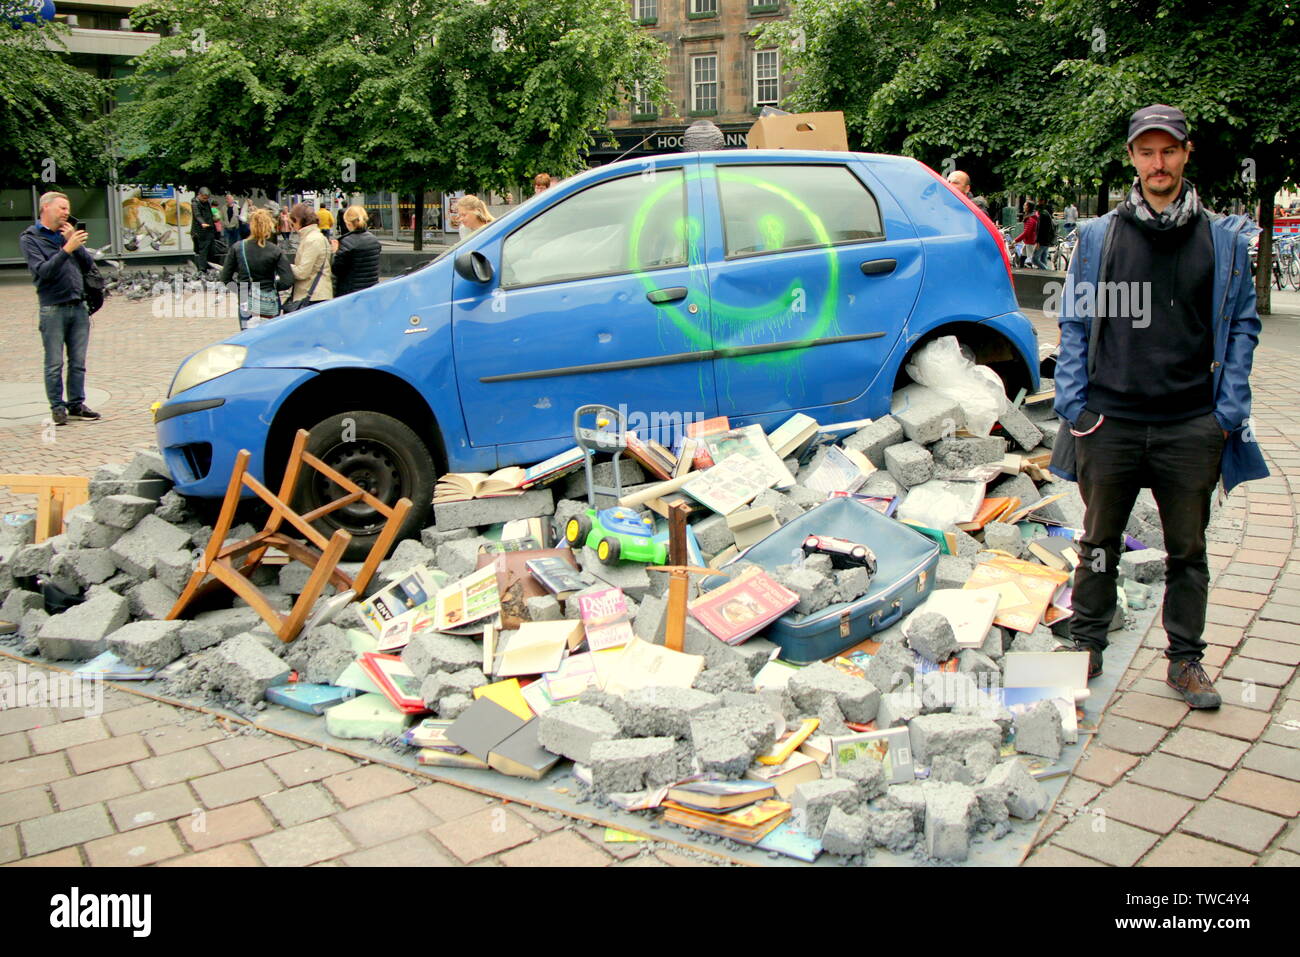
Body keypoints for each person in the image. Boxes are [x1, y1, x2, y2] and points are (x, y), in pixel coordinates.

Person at [1050, 104, 1268, 708]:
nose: (1158, 163)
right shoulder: (1098, 238)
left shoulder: (1221, 242)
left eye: (1168, 150)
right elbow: (1073, 322)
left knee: (1188, 552)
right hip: (1109, 423)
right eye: (1146, 152)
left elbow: (1243, 325)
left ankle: (1184, 661)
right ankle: (1086, 646)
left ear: (1186, 154)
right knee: (1098, 544)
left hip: (1189, 426)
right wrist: (1073, 404)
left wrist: (1226, 413)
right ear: (1132, 159)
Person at [18, 191, 102, 426]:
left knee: (78, 361)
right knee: (54, 362)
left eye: (68, 208)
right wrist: (66, 249)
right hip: (52, 307)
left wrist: (73, 244)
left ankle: (76, 404)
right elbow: (43, 272)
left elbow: (87, 266)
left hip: (78, 306)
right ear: (45, 208)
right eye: (62, 208)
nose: (67, 212)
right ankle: (57, 407)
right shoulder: (30, 238)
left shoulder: (67, 235)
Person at [220, 207, 294, 329]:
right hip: (269, 299)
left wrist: (241, 290)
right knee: (269, 337)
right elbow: (287, 281)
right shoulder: (276, 251)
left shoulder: (238, 248)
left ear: (251, 225)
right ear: (269, 226)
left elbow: (225, 278)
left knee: (247, 337)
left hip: (246, 297)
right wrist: (273, 286)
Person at [287, 203, 334, 305]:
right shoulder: (317, 236)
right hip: (318, 293)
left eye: (292, 223)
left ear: (298, 220)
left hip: (312, 295)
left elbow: (302, 272)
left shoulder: (312, 239)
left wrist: (285, 266)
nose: (293, 227)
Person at [330, 205, 382, 296]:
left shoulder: (346, 242)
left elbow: (336, 270)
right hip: (371, 290)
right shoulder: (374, 240)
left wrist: (335, 252)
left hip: (350, 292)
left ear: (348, 223)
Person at [191, 186, 218, 272]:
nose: (205, 200)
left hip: (210, 229)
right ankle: (202, 269)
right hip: (201, 231)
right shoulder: (195, 203)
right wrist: (202, 223)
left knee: (212, 250)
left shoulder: (208, 201)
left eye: (207, 198)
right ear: (199, 195)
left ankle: (211, 268)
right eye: (203, 198)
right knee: (203, 250)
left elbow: (215, 202)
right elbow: (197, 215)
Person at [1014, 202, 1039, 268]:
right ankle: (1021, 271)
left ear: (1028, 207)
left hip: (1030, 241)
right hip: (1028, 241)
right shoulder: (1032, 216)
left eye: (1025, 205)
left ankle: (1032, 274)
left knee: (1030, 260)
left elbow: (1026, 232)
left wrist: (1016, 240)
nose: (1023, 206)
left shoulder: (1030, 219)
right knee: (1023, 257)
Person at [1033, 202, 1055, 268]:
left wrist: (1038, 241)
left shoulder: (1042, 215)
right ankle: (1045, 275)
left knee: (1034, 259)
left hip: (1042, 241)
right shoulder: (1047, 214)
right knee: (1043, 259)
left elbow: (1040, 229)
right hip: (1047, 240)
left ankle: (1046, 271)